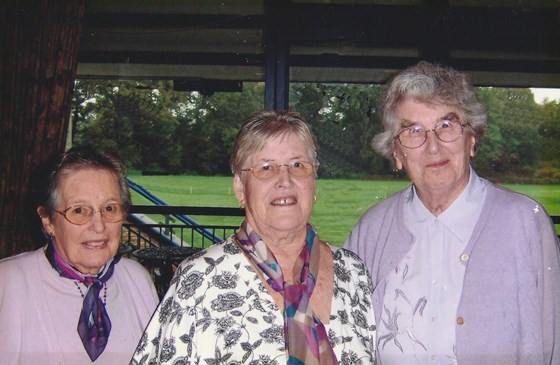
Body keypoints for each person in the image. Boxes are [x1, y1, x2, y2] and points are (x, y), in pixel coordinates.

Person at [344, 61, 560, 364]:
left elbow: (553, 345)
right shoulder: (371, 231)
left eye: (446, 126)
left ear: (471, 139)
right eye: (413, 131)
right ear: (396, 153)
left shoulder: (524, 222)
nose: (433, 147)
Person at [132, 110, 376, 364]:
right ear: (240, 187)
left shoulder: (352, 272)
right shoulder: (200, 279)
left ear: (313, 179)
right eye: (266, 168)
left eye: (297, 165)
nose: (285, 180)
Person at [0, 147, 159, 364]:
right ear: (48, 220)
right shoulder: (8, 282)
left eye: (110, 208)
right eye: (78, 210)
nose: (99, 226)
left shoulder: (137, 279)